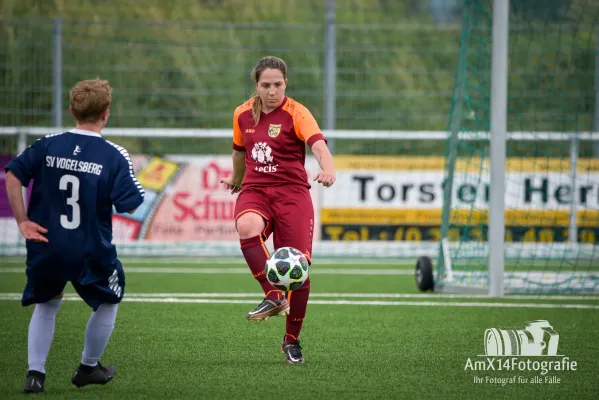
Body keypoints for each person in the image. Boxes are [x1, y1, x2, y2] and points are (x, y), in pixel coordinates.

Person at [5, 78, 145, 393]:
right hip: (90, 247)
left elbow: (13, 175)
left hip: (47, 244)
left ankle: (35, 375)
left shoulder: (47, 144)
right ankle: (88, 367)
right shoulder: (114, 154)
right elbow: (132, 203)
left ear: (72, 110)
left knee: (47, 303)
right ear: (107, 113)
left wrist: (23, 222)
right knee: (110, 300)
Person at [220, 56, 336, 365]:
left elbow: (319, 146)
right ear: (256, 85)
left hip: (292, 194)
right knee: (246, 227)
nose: (273, 91)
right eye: (266, 85)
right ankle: (273, 295)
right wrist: (236, 178)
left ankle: (291, 341)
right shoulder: (242, 114)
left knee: (299, 271)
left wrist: (329, 169)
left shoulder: (297, 112)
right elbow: (238, 151)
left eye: (278, 85)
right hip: (256, 190)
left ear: (286, 83)